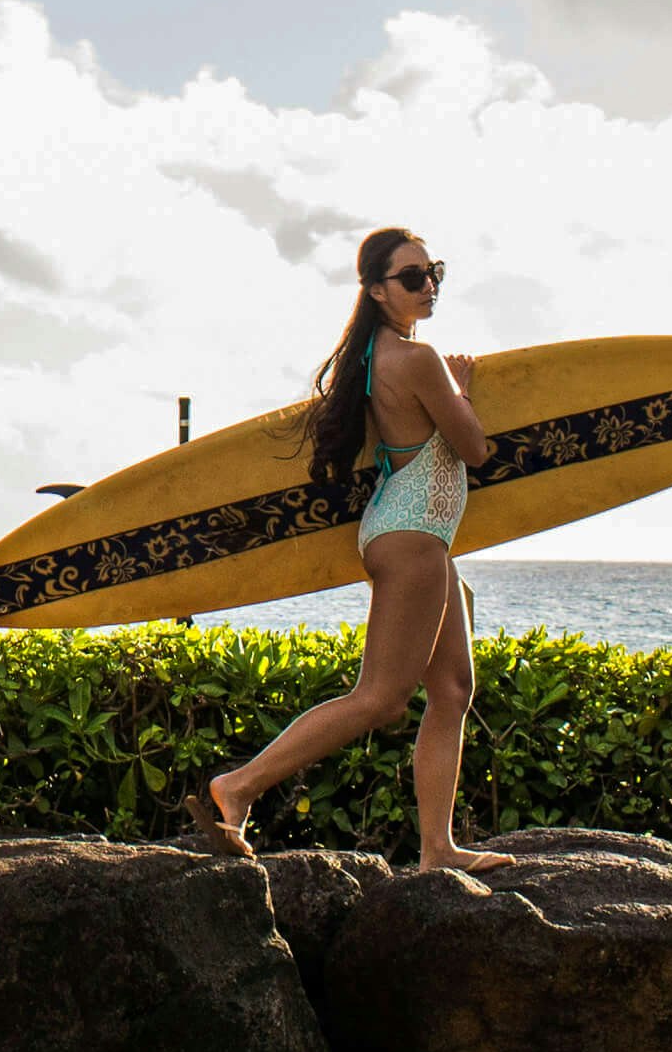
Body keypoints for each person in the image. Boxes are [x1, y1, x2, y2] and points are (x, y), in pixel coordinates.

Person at [178, 228, 513, 871]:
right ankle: (238, 786)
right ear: (377, 290)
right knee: (381, 699)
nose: (429, 286)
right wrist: (462, 390)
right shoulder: (418, 360)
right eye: (413, 278)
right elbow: (472, 448)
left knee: (451, 689)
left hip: (415, 536)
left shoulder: (375, 358)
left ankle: (439, 849)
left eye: (433, 272)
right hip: (412, 537)